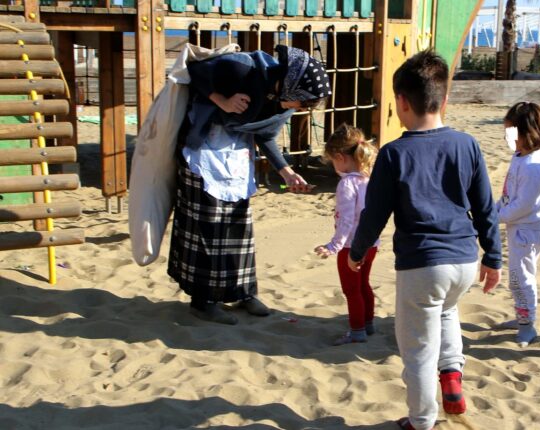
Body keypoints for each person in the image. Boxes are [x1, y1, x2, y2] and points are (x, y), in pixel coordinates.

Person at [347, 51, 502, 430]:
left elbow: (374, 214)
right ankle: (451, 377)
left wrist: (357, 250)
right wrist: (493, 257)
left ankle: (421, 420)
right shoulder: (467, 144)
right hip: (465, 261)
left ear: (401, 102)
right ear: (444, 100)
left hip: (422, 265)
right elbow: (485, 206)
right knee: (447, 312)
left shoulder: (394, 153)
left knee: (416, 350)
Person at [168, 45, 332, 325]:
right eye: (302, 103)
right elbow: (195, 71)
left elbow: (265, 135)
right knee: (208, 230)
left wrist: (286, 172)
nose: (301, 109)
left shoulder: (282, 99)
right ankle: (203, 301)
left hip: (235, 157)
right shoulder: (244, 68)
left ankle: (243, 293)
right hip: (204, 151)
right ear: (292, 87)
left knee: (239, 227)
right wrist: (221, 99)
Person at [314, 124, 379, 345]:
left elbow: (346, 219)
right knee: (364, 285)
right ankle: (368, 323)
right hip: (371, 244)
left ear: (340, 157)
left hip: (351, 246)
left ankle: (358, 330)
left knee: (352, 290)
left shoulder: (347, 184)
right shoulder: (370, 179)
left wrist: (334, 246)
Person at [495, 102, 540, 347]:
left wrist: (496, 217)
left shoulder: (534, 166)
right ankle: (521, 317)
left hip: (527, 230)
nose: (508, 138)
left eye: (512, 132)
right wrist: (494, 209)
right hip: (516, 227)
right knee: (515, 276)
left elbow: (523, 205)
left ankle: (528, 325)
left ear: (527, 133)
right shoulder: (519, 158)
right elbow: (509, 195)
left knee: (523, 277)